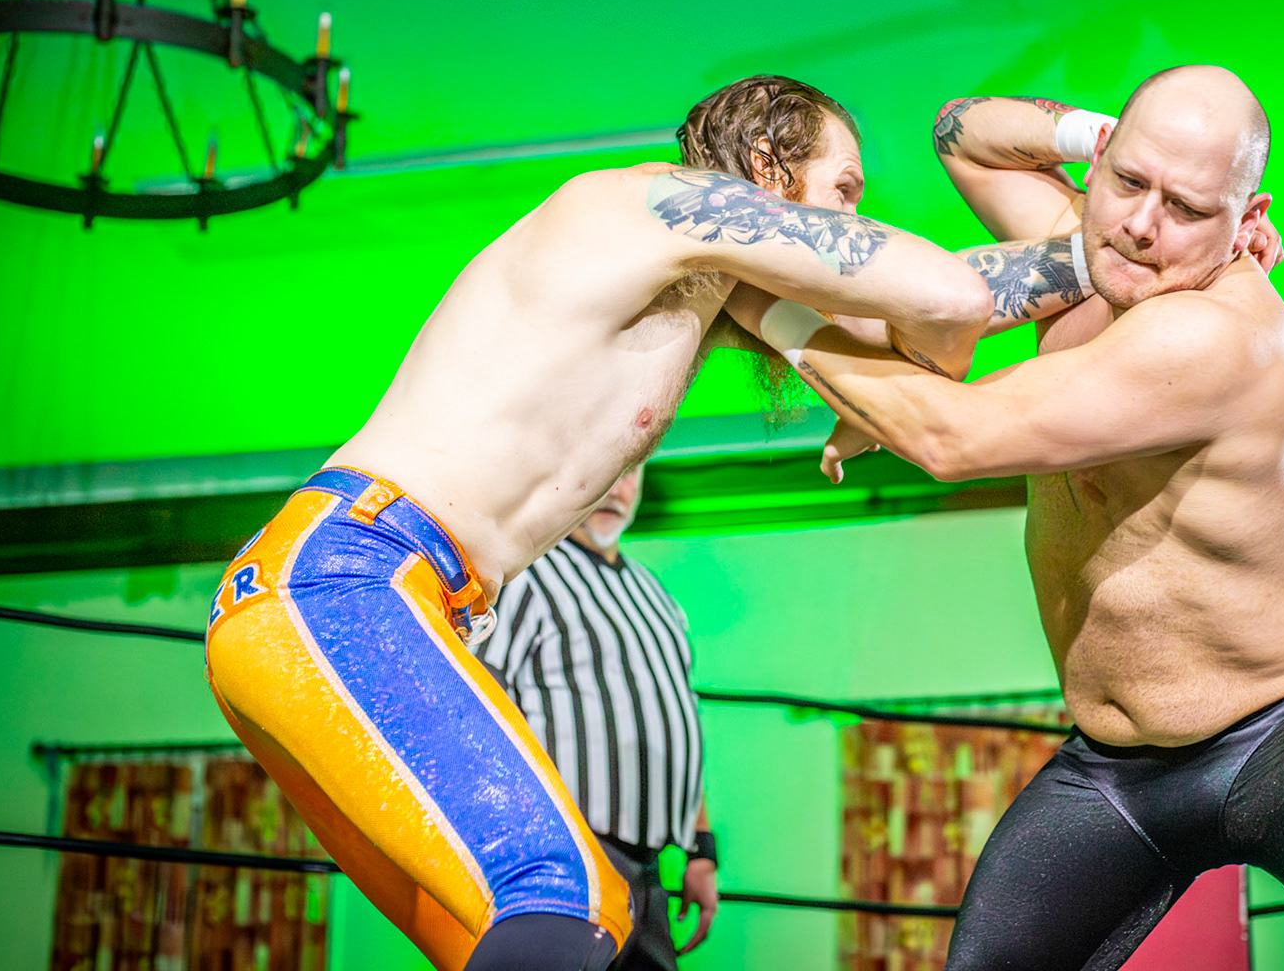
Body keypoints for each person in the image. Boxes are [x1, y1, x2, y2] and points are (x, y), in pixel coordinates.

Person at [203, 75, 1006, 971]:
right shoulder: (654, 206)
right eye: (844, 188)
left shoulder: (706, 288)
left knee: (572, 938)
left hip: (366, 601)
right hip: (349, 580)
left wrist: (1099, 257)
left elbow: (930, 316)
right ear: (768, 164)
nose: (855, 216)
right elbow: (947, 297)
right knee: (560, 894)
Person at [728, 68, 1284, 970]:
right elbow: (961, 130)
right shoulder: (1099, 249)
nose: (1142, 225)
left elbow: (952, 438)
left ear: (1247, 221)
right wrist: (1104, 138)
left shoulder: (1211, 332)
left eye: (1188, 208)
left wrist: (759, 303)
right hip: (1119, 765)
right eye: (1128, 182)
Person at [475, 464, 719, 970]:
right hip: (566, 857)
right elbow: (479, 704)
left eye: (632, 471)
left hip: (650, 867)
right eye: (608, 468)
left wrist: (701, 849)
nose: (617, 488)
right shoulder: (529, 577)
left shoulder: (656, 595)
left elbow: (678, 721)